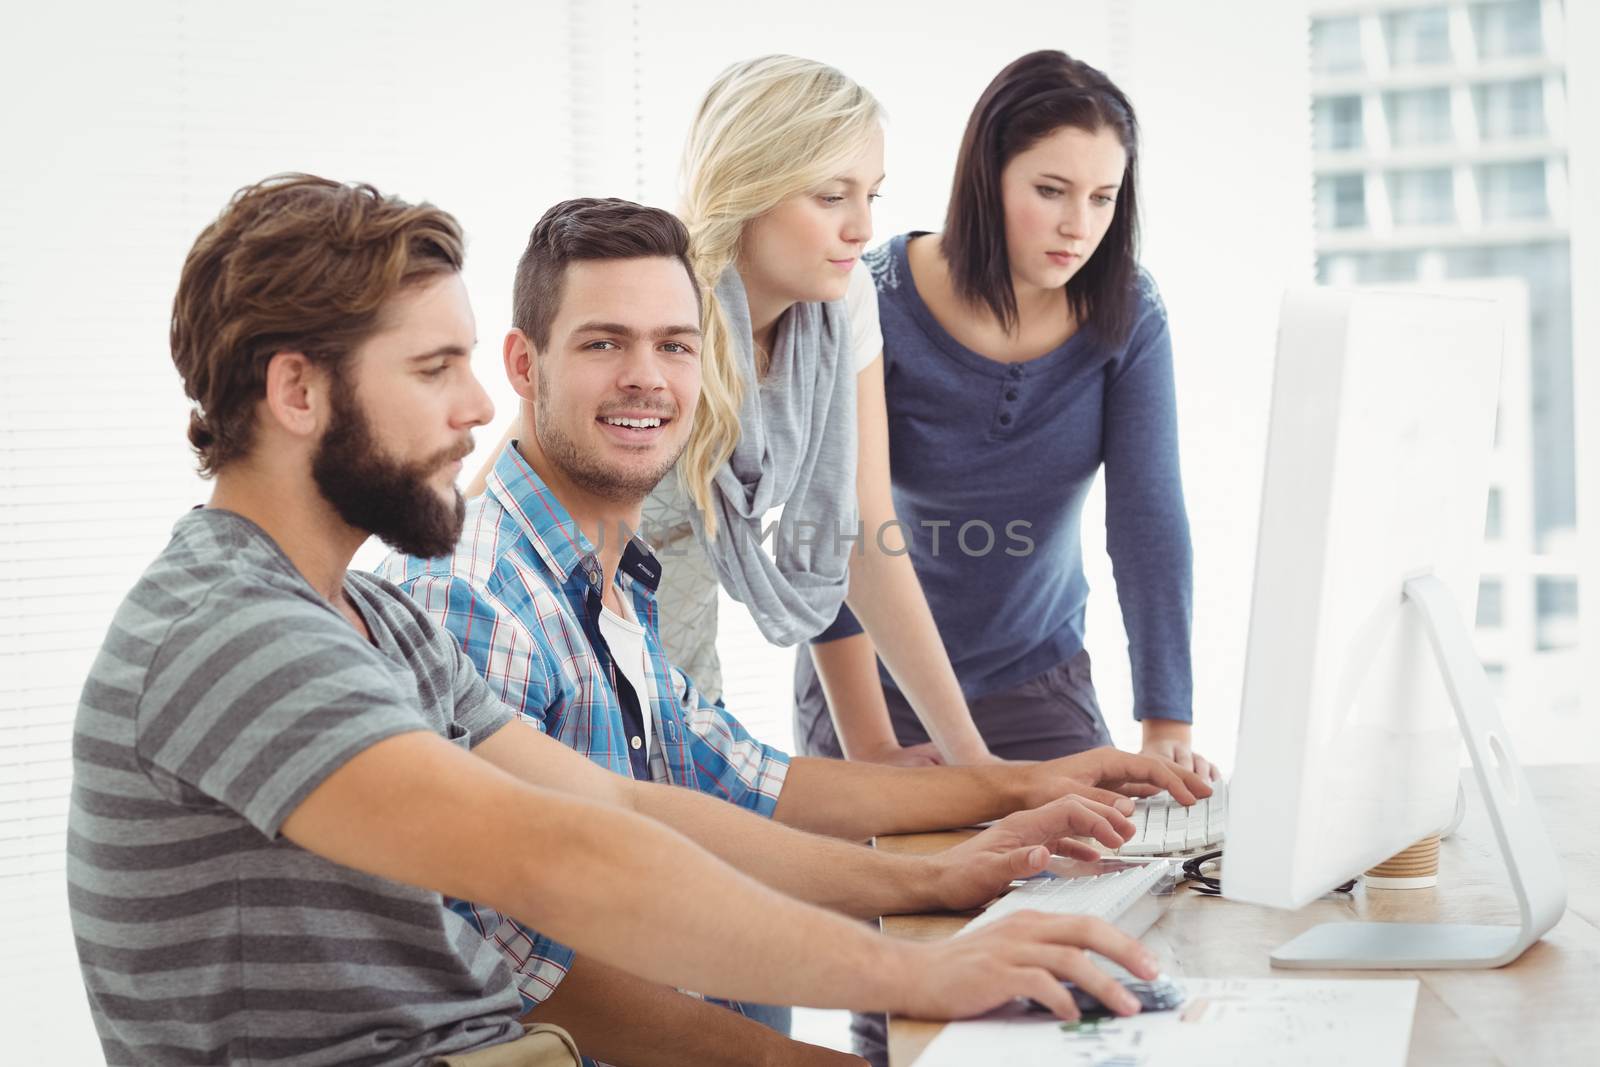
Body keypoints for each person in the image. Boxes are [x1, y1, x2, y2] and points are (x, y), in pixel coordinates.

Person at [66, 174, 1167, 1067]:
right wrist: (919, 974)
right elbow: (557, 856)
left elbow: (622, 801)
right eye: (433, 367)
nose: (474, 408)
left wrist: (937, 877)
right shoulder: (230, 633)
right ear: (298, 392)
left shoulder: (374, 620)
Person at [386, 196, 1212, 1062]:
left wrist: (1011, 793)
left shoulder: (603, 576)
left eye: (674, 344)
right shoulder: (474, 593)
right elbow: (514, 965)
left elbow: (742, 779)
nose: (646, 377)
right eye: (603, 343)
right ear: (524, 364)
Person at [467, 56, 995, 768]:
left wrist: (963, 757)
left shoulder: (844, 306)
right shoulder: (659, 303)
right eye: (832, 196)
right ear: (751, 186)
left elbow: (855, 533)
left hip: (681, 686)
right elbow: (500, 504)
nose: (863, 227)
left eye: (871, 194)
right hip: (557, 678)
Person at [796, 50, 1219, 780]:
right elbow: (833, 525)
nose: (1077, 226)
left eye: (1102, 197)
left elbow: (1148, 521)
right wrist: (870, 745)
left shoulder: (1129, 316)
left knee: (1097, 880)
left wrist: (1165, 723)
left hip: (1038, 677)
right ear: (987, 178)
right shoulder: (869, 304)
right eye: (1051, 190)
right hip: (871, 684)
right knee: (895, 892)